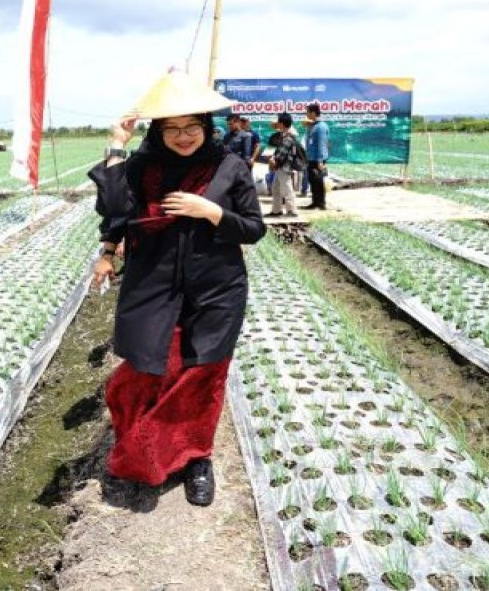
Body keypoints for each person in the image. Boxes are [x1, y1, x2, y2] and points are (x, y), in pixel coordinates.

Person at [88, 69, 266, 506]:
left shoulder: (230, 167)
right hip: (153, 286)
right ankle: (141, 448)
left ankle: (196, 459)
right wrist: (116, 145)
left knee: (202, 376)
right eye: (173, 129)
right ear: (158, 131)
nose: (184, 137)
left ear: (206, 127)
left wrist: (212, 212)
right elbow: (113, 211)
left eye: (192, 128)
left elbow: (254, 229)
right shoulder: (142, 169)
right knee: (147, 371)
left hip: (216, 290)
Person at [266, 112, 303, 217]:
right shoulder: (281, 135)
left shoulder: (288, 137)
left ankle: (292, 210)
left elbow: (282, 152)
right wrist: (273, 161)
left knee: (287, 189)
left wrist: (274, 161)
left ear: (282, 123)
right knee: (276, 188)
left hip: (284, 167)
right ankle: (276, 210)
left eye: (278, 122)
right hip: (279, 167)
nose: (276, 124)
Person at [303, 102, 330, 210]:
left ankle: (321, 203)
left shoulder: (321, 127)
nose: (307, 114)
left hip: (317, 159)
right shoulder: (312, 126)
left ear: (313, 113)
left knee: (318, 181)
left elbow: (322, 144)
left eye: (308, 112)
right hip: (311, 158)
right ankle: (315, 202)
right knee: (313, 181)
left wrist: (320, 161)